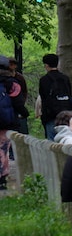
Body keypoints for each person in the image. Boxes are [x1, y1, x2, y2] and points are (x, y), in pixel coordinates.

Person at [0, 55, 29, 191]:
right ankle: (2, 177)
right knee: (3, 148)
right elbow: (18, 102)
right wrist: (24, 113)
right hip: (5, 121)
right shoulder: (11, 83)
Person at [38, 53, 72, 141]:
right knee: (66, 140)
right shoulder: (65, 78)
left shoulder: (44, 80)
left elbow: (43, 98)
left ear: (46, 65)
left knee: (52, 142)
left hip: (51, 115)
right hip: (65, 115)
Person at [8, 58, 29, 135]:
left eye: (12, 64)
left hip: (19, 106)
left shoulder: (20, 78)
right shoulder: (5, 78)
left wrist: (22, 101)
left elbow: (24, 91)